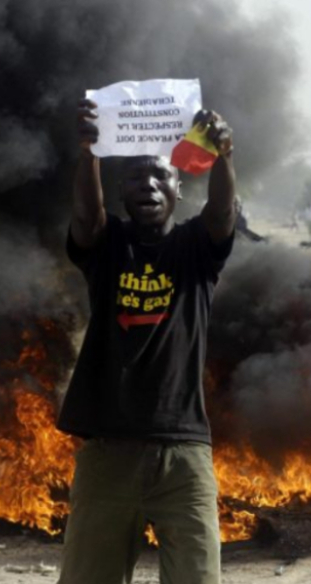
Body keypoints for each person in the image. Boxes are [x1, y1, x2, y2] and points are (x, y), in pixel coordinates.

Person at [58, 100, 237, 584]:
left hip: (184, 455)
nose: (149, 186)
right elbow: (85, 214)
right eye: (137, 177)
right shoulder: (108, 243)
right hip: (107, 453)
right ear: (121, 191)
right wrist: (89, 151)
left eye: (161, 177)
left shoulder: (196, 249)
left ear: (180, 190)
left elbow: (222, 213)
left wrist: (222, 154)